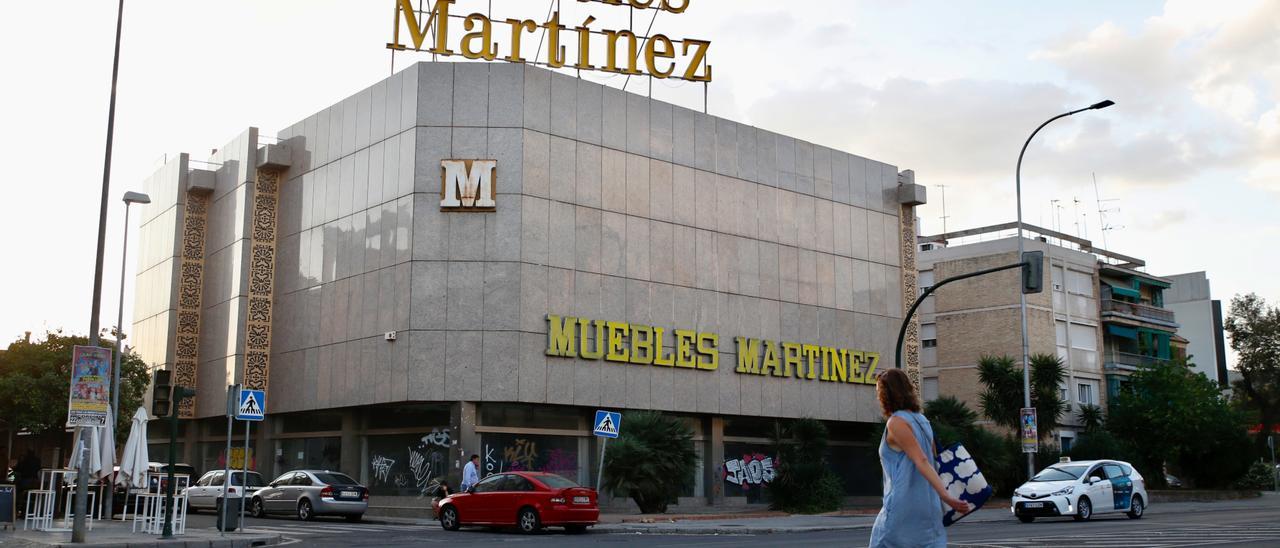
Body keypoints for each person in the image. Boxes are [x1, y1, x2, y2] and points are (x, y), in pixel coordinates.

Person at [870, 369, 972, 548]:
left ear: (886, 395)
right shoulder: (922, 420)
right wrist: (943, 497)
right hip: (930, 507)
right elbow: (933, 459)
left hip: (903, 509)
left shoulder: (896, 423)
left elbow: (922, 460)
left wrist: (947, 496)